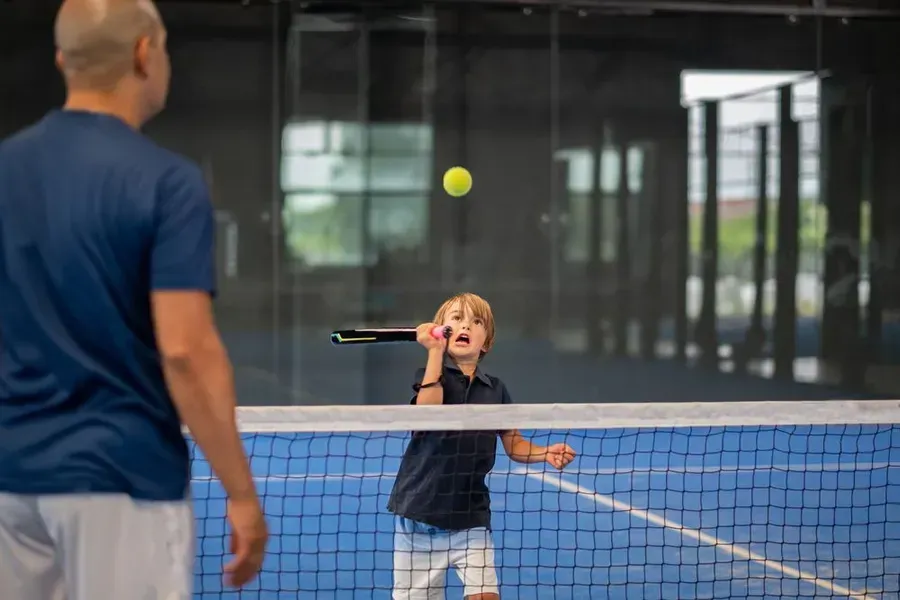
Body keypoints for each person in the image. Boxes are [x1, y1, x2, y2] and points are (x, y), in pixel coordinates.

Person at [0, 1, 268, 598]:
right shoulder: (167, 182)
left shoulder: (5, 168)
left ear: (63, 59)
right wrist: (242, 494)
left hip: (9, 480)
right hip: (122, 482)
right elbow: (185, 350)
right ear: (146, 52)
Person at [388, 292, 577, 600]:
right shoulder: (430, 377)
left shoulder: (496, 390)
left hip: (470, 518)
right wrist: (434, 352)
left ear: (486, 342)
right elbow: (427, 415)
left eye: (476, 322)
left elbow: (514, 444)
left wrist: (545, 453)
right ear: (442, 332)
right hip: (419, 518)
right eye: (457, 318)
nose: (466, 325)